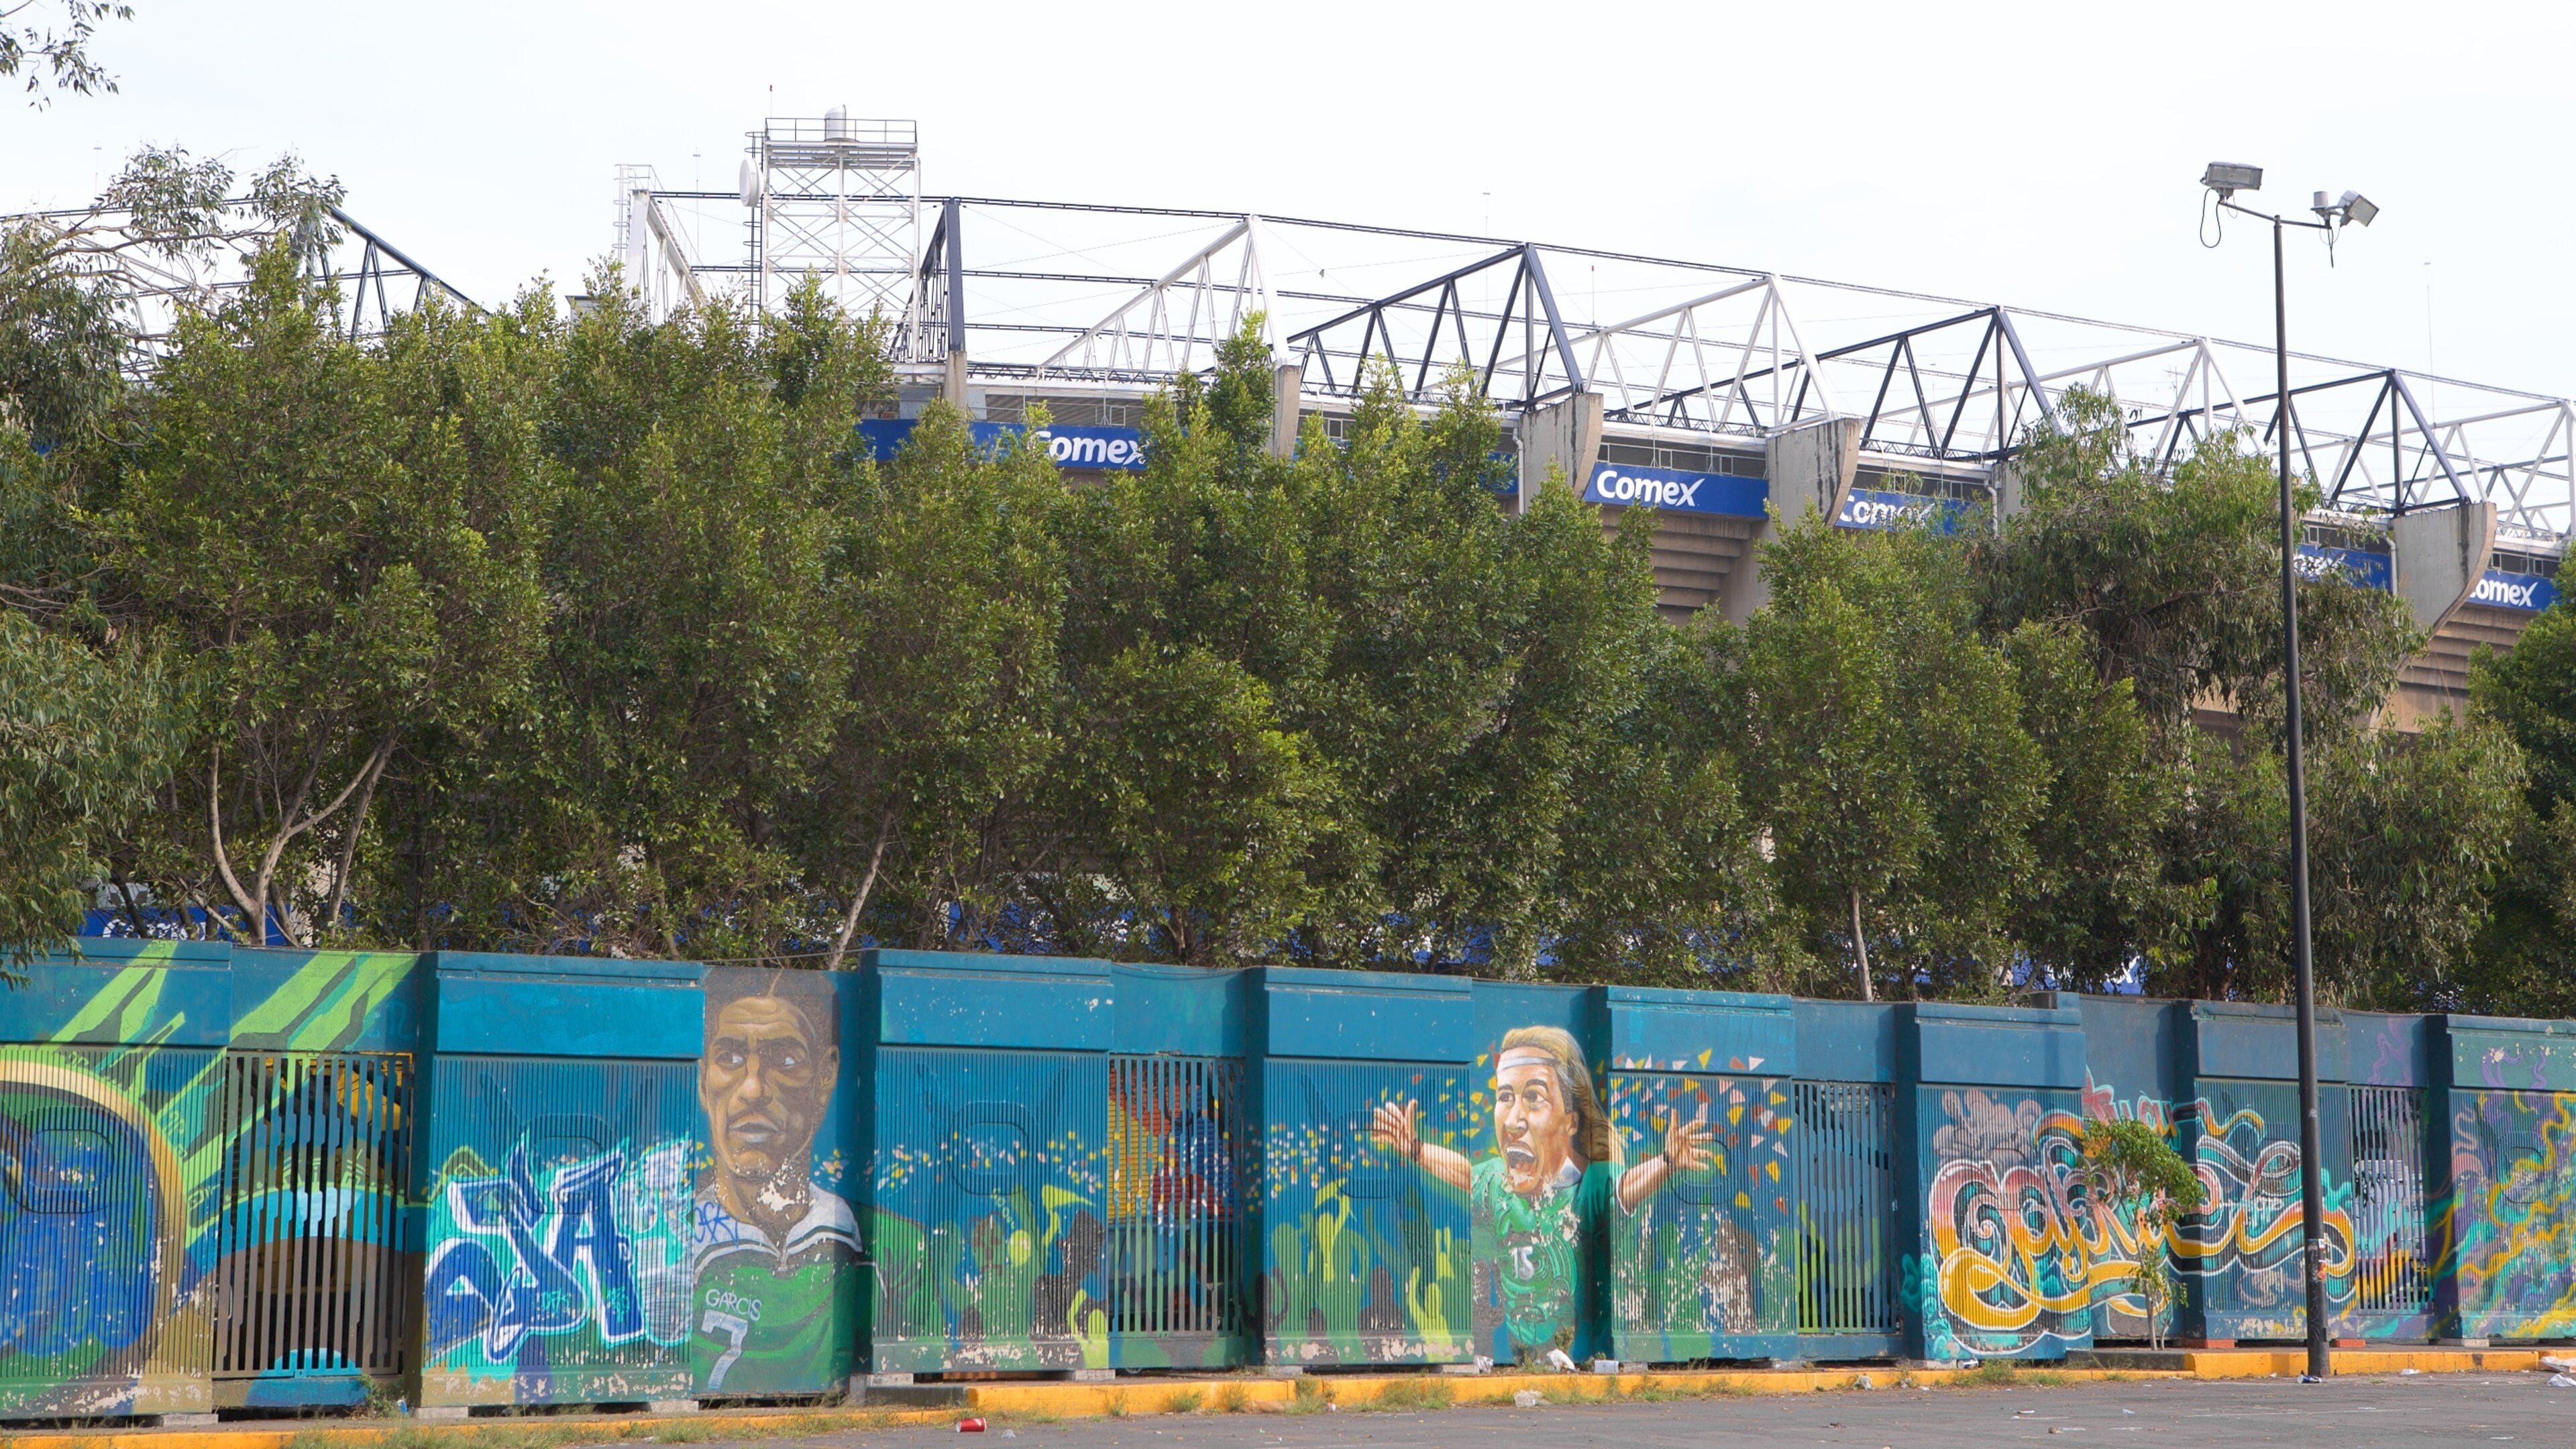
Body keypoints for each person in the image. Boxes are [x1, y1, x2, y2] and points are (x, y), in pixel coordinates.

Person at [1371, 1025, 1710, 1362]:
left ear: (1571, 1121)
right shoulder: (1497, 1182)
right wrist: (1415, 1149)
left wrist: (1666, 1163)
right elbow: (1465, 1174)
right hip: (1521, 1353)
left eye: (1534, 1097)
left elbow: (1625, 1188)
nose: (1513, 1120)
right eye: (1505, 1097)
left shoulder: (1590, 1184)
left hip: (1578, 1355)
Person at [692, 976, 858, 1394]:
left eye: (785, 1060)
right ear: (703, 1080)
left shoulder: (889, 1248)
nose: (753, 1089)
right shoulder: (666, 1241)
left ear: (825, 1076)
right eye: (730, 1057)